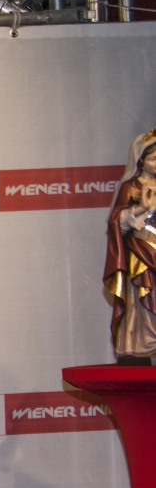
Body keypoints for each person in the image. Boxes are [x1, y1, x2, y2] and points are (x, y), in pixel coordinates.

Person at [105, 128, 156, 362]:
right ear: (141, 160)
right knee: (144, 298)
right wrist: (143, 208)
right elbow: (116, 220)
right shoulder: (132, 186)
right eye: (153, 158)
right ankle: (143, 343)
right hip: (142, 253)